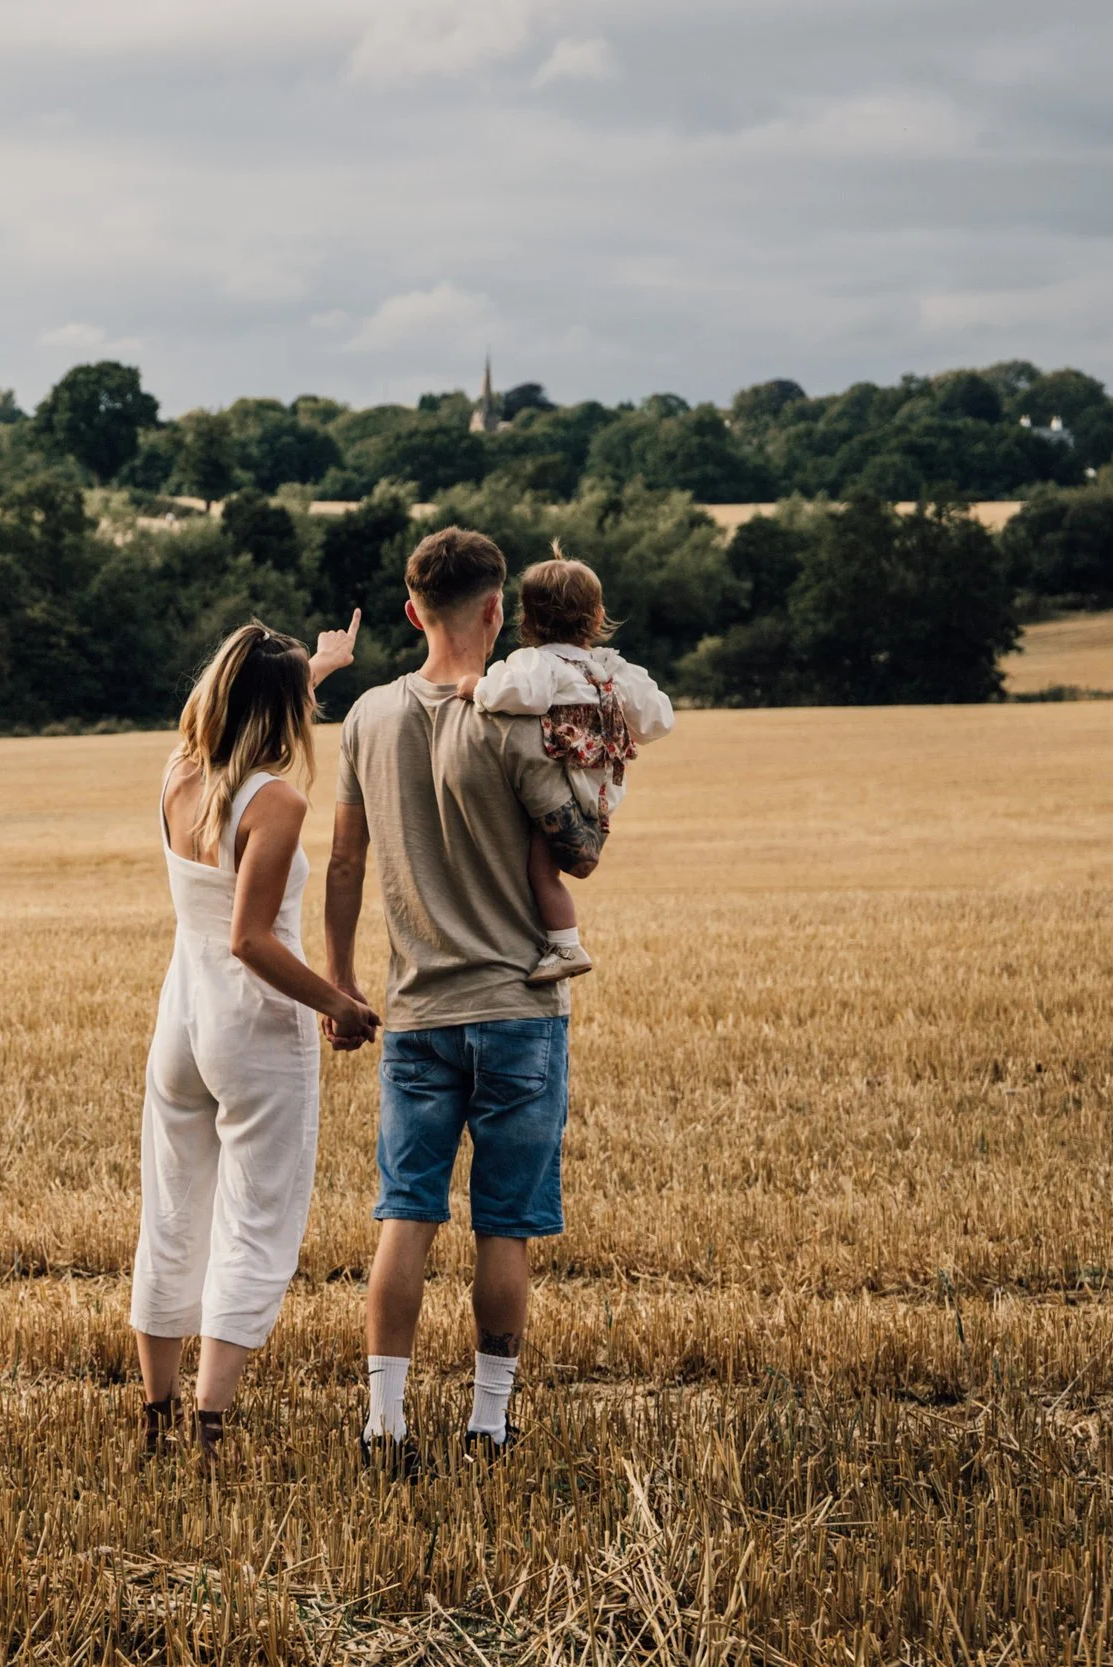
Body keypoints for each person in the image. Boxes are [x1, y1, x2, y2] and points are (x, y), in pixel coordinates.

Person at [322, 528, 605, 1473]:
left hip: (415, 1012)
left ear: (412, 613)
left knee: (407, 1213)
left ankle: (384, 1424)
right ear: (497, 612)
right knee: (505, 1225)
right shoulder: (519, 718)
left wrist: (339, 979)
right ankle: (486, 1424)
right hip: (521, 1007)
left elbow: (347, 860)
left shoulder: (365, 717)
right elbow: (576, 850)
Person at [133, 614, 381, 1470]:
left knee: (171, 1213)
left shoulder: (178, 774)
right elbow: (253, 938)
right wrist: (339, 1002)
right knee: (254, 1219)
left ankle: (159, 1413)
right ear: (285, 712)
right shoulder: (275, 802)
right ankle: (211, 1430)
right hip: (252, 1027)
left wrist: (320, 665)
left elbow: (253, 702)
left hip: (180, 1022)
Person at [455, 551, 675, 985]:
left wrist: (475, 687)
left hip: (562, 786)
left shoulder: (538, 664)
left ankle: (565, 945)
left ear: (528, 618)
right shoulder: (612, 668)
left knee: (540, 870)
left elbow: (520, 696)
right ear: (598, 614)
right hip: (600, 791)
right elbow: (658, 720)